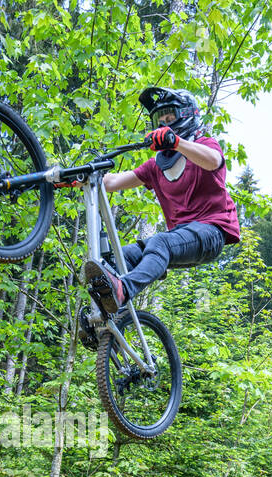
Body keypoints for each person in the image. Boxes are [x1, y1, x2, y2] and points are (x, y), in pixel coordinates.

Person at [80, 86, 241, 324]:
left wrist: (176, 142)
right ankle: (106, 322)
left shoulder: (204, 145)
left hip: (212, 232)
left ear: (187, 116)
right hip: (180, 237)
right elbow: (113, 182)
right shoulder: (156, 166)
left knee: (159, 240)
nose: (164, 124)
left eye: (170, 118)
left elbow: (213, 160)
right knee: (116, 258)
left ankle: (124, 289)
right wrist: (81, 179)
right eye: (160, 120)